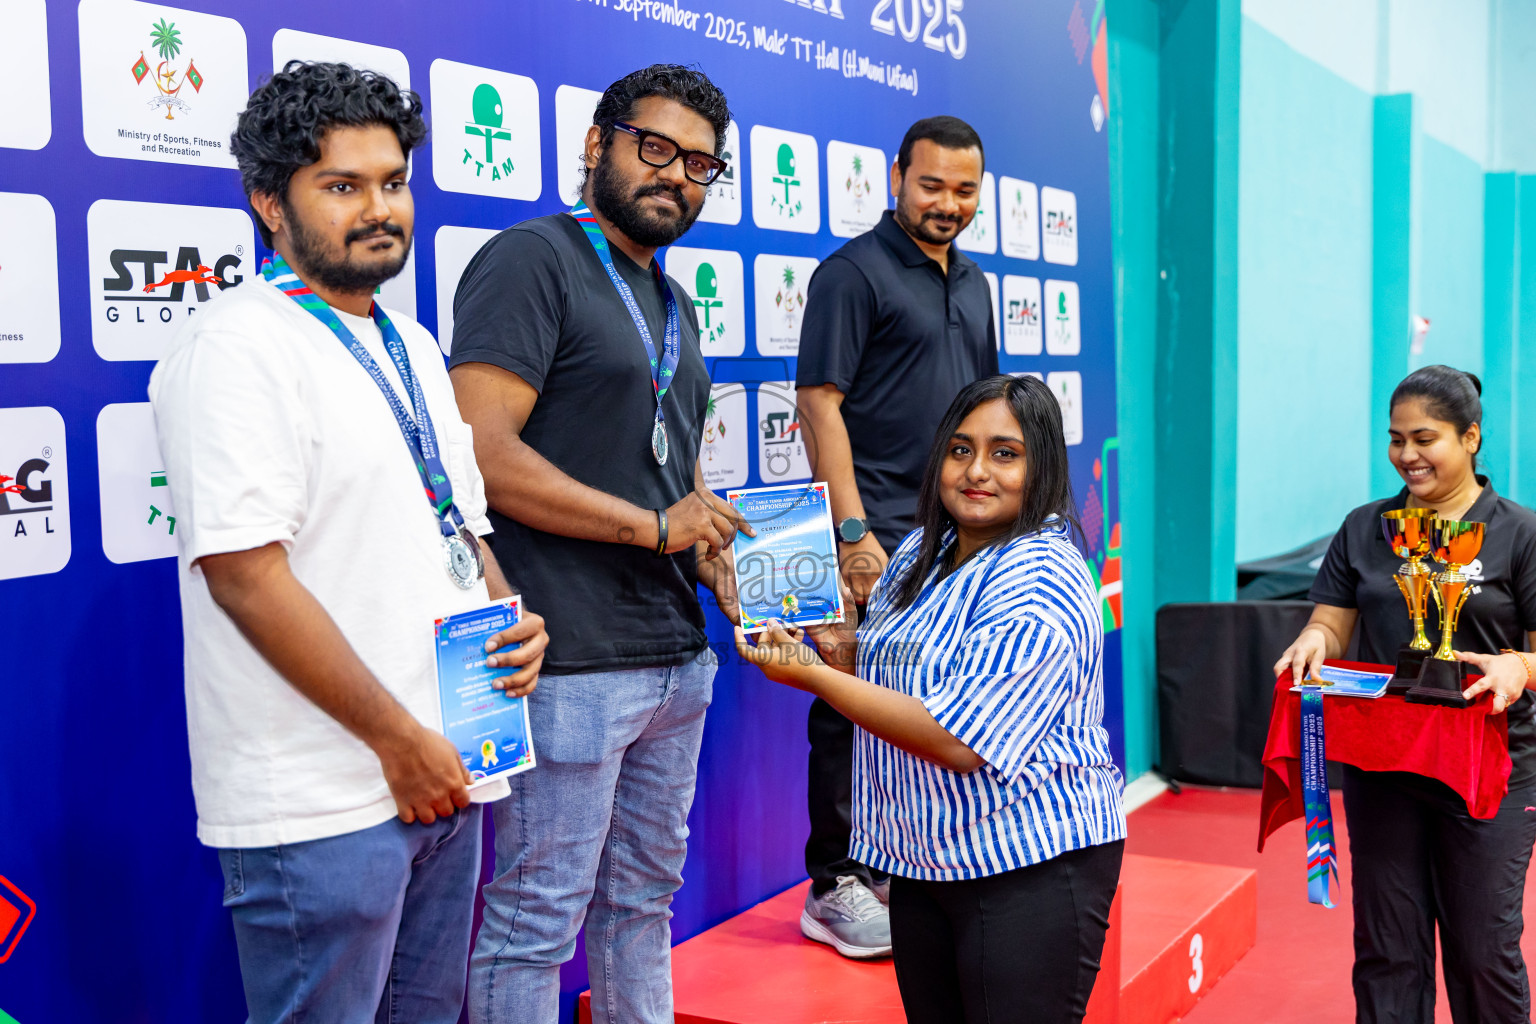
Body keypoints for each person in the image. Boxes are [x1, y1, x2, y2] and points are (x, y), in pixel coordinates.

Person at [148, 62, 548, 1023]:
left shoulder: (406, 342)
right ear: (269, 205)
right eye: (342, 186)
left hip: (447, 767)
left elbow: (455, 518)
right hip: (327, 800)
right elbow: (247, 578)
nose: (379, 209)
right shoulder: (236, 345)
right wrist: (395, 741)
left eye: (393, 182)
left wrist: (510, 615)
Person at [447, 65, 745, 1024]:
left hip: (673, 655)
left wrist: (708, 544)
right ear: (597, 143)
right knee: (535, 920)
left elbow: (668, 473)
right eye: (654, 148)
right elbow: (482, 460)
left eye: (701, 164)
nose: (677, 177)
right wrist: (659, 526)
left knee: (642, 905)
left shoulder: (673, 301)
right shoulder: (531, 260)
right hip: (564, 655)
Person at [738, 375, 1126, 1022]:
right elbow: (904, 674)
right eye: (960, 449)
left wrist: (814, 677)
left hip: (1027, 862)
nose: (977, 471)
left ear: (1043, 464)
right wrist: (839, 649)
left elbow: (960, 737)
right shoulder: (925, 546)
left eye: (1006, 453)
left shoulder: (1043, 577)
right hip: (922, 860)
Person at [792, 115, 999, 956]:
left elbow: (990, 413)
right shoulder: (852, 274)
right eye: (932, 184)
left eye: (964, 190)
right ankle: (834, 881)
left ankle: (898, 864)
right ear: (895, 178)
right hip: (875, 530)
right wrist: (851, 533)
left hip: (958, 534)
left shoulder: (977, 282)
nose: (947, 204)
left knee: (927, 699)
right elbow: (819, 403)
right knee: (847, 701)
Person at [1275, 365, 1536, 1023]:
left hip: (1492, 773)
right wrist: (1313, 644)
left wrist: (1518, 670)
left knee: (1482, 949)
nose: (1407, 456)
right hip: (1386, 764)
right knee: (1389, 947)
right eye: (1396, 440)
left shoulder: (1519, 533)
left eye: (1425, 439)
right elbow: (1331, 622)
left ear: (1471, 437)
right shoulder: (1367, 527)